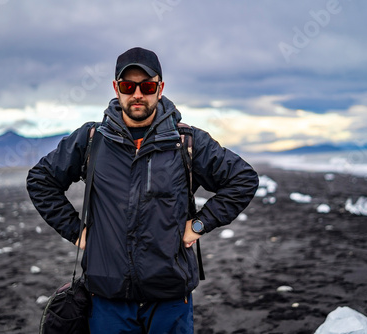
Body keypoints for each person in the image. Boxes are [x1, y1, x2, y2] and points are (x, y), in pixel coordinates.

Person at [26, 47, 259, 333]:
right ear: (116, 88)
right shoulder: (91, 140)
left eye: (147, 86)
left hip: (170, 298)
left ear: (160, 89)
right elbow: (41, 179)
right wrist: (75, 230)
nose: (138, 94)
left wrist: (199, 224)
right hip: (108, 298)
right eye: (128, 86)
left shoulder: (186, 141)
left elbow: (243, 179)